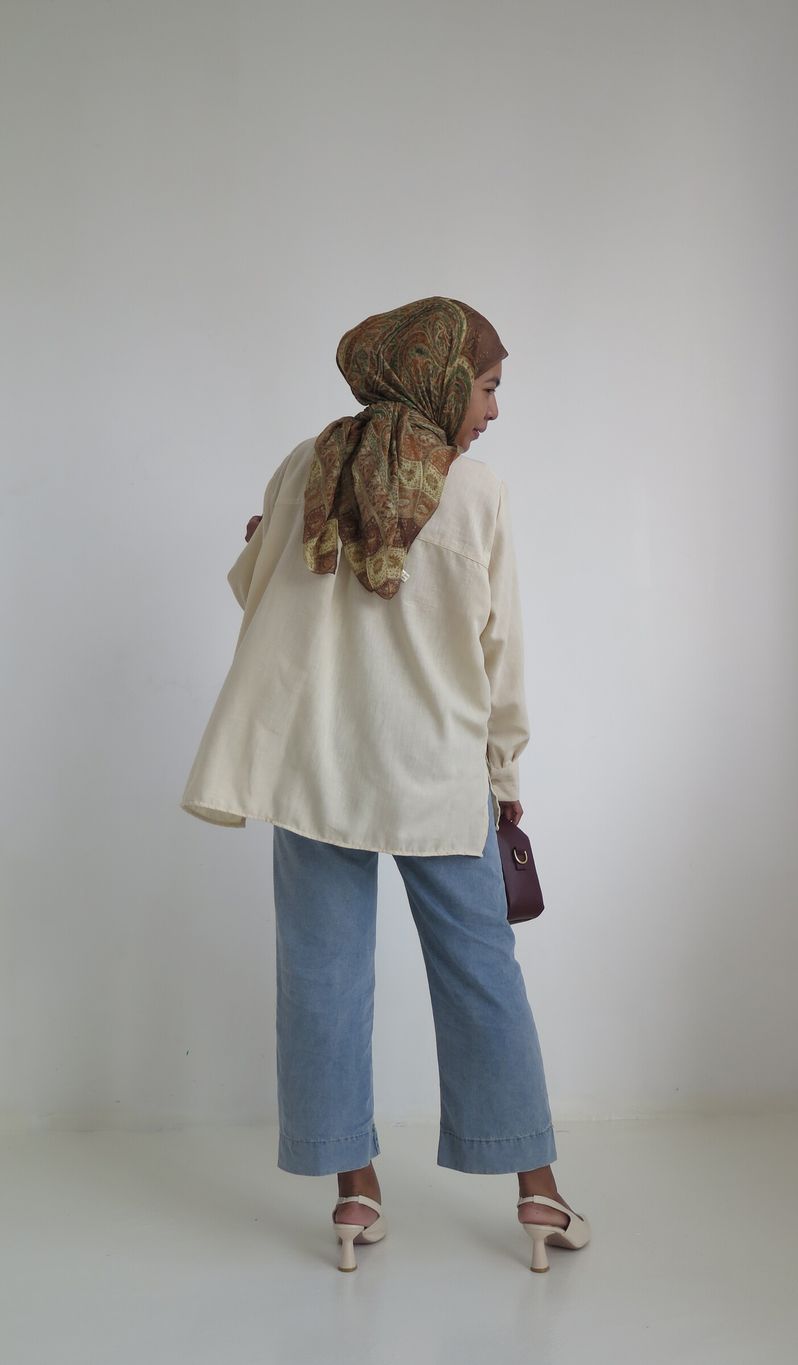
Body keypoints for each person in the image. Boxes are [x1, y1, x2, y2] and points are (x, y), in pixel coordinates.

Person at [179, 296, 590, 1272]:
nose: (493, 409)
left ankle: (354, 1195)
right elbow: (500, 654)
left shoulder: (307, 465)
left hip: (317, 766)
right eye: (486, 386)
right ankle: (537, 1193)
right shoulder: (476, 494)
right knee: (482, 974)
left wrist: (266, 532)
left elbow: (257, 590)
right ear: (438, 379)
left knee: (322, 978)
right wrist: (505, 771)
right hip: (436, 772)